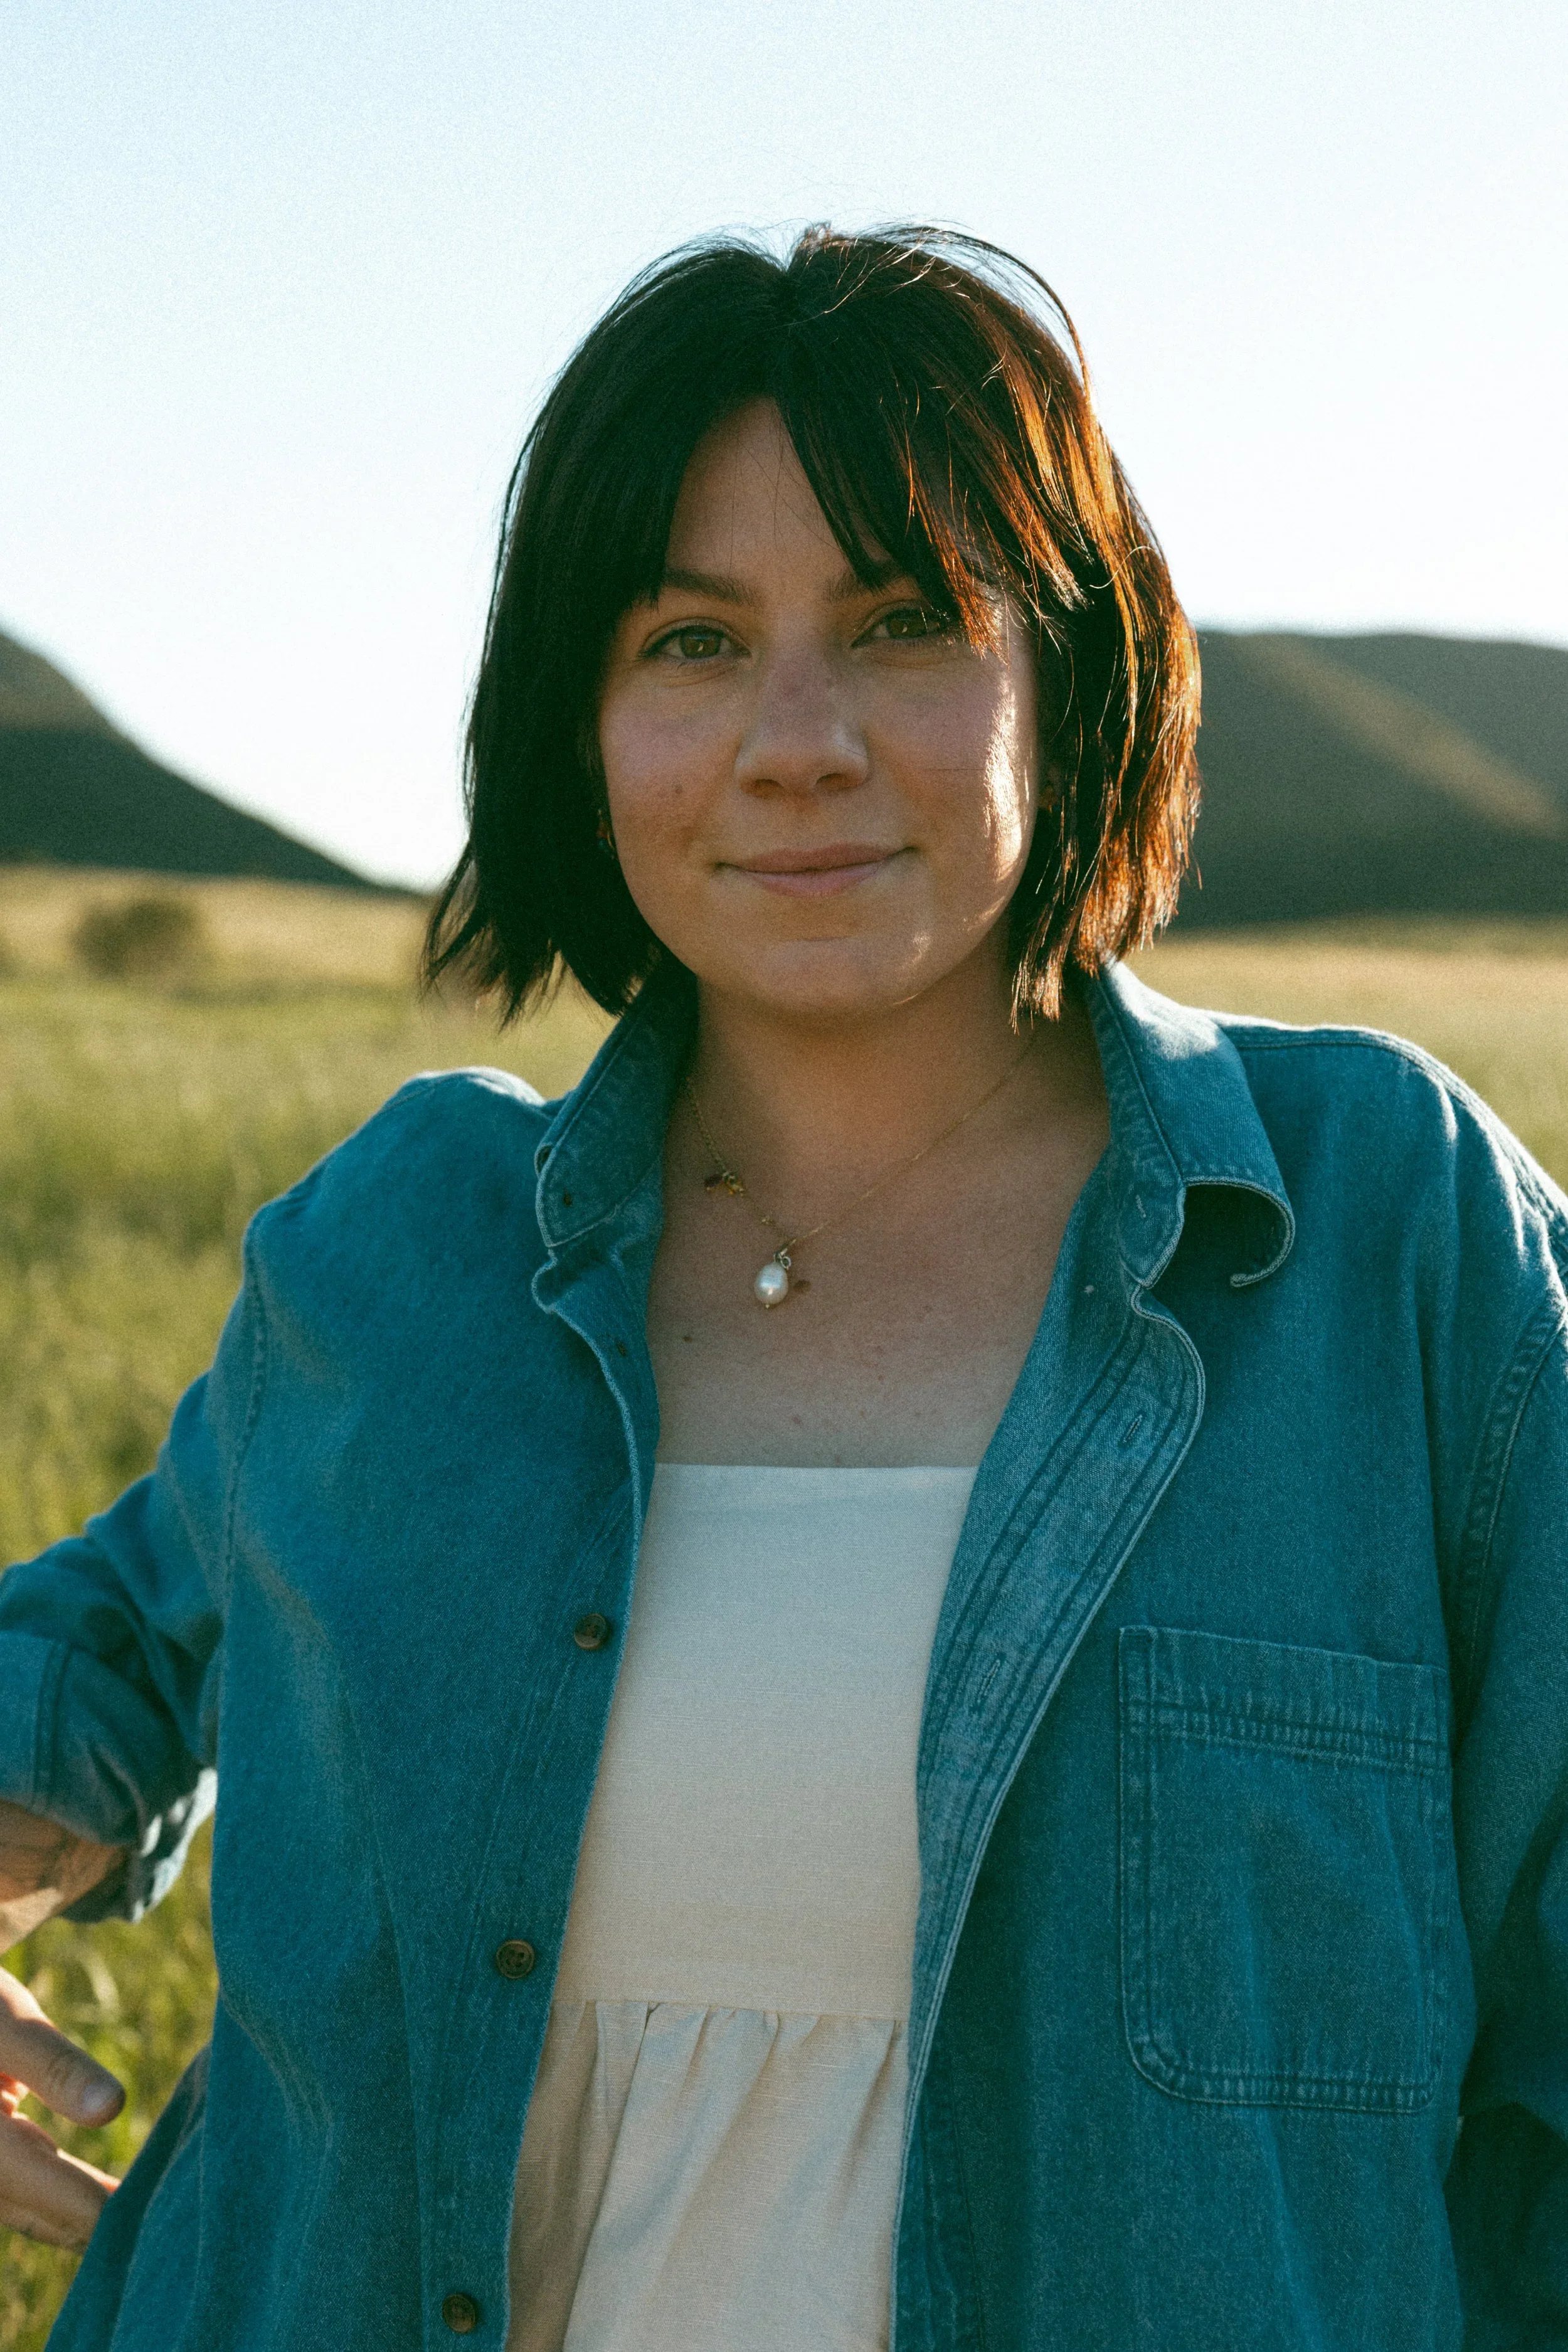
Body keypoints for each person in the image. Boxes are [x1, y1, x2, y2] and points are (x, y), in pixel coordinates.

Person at [1, 223, 1565, 2352]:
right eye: (691, 641)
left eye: (904, 622)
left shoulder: (1377, 1228)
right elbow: (100, 1651)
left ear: (1071, 669)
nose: (795, 740)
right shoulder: (404, 1244)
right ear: (579, 721)